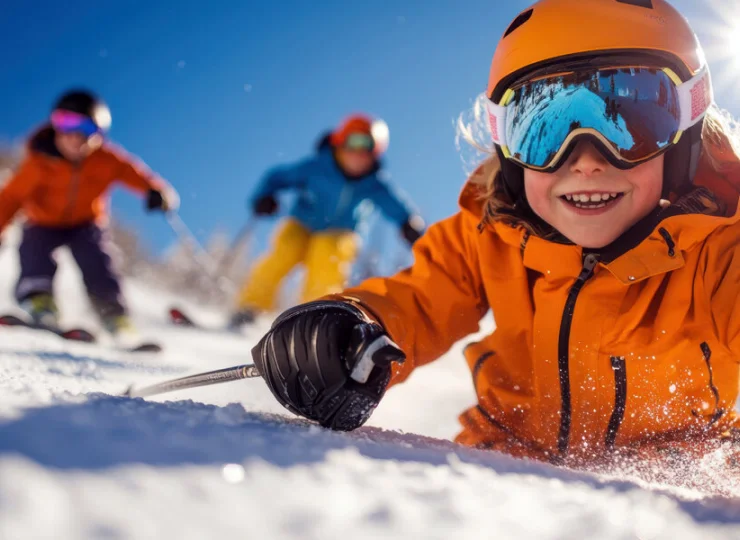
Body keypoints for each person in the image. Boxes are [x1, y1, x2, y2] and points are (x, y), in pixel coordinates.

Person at [250, 0, 740, 467]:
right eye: (543, 128)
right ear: (507, 147)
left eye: (631, 120)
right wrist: (353, 329)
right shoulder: (491, 233)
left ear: (686, 131)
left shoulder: (717, 248)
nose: (586, 159)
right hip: (499, 470)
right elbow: (421, 298)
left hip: (667, 481)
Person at [0, 89, 177, 338]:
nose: (75, 136)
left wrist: (156, 191)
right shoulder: (39, 162)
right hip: (43, 221)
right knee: (33, 249)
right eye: (67, 123)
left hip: (85, 223)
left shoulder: (106, 159)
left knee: (97, 260)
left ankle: (114, 316)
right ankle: (39, 301)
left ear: (99, 136)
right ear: (54, 124)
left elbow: (134, 173)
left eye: (87, 129)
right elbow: (11, 197)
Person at [230, 114, 424, 326]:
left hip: (340, 232)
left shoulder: (374, 183)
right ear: (339, 141)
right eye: (353, 143)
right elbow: (276, 177)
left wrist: (408, 223)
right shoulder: (317, 166)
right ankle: (249, 308)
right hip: (301, 223)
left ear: (375, 154)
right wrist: (264, 196)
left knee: (328, 262)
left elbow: (395, 205)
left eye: (366, 148)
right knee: (282, 254)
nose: (358, 154)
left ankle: (313, 319)